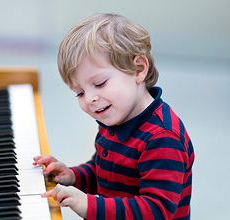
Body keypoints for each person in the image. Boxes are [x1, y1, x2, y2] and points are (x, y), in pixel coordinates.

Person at [33, 13, 194, 220]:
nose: (90, 98)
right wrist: (73, 176)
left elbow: (156, 212)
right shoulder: (114, 120)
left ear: (138, 69)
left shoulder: (162, 138)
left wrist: (91, 205)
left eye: (99, 84)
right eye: (79, 93)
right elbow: (104, 172)